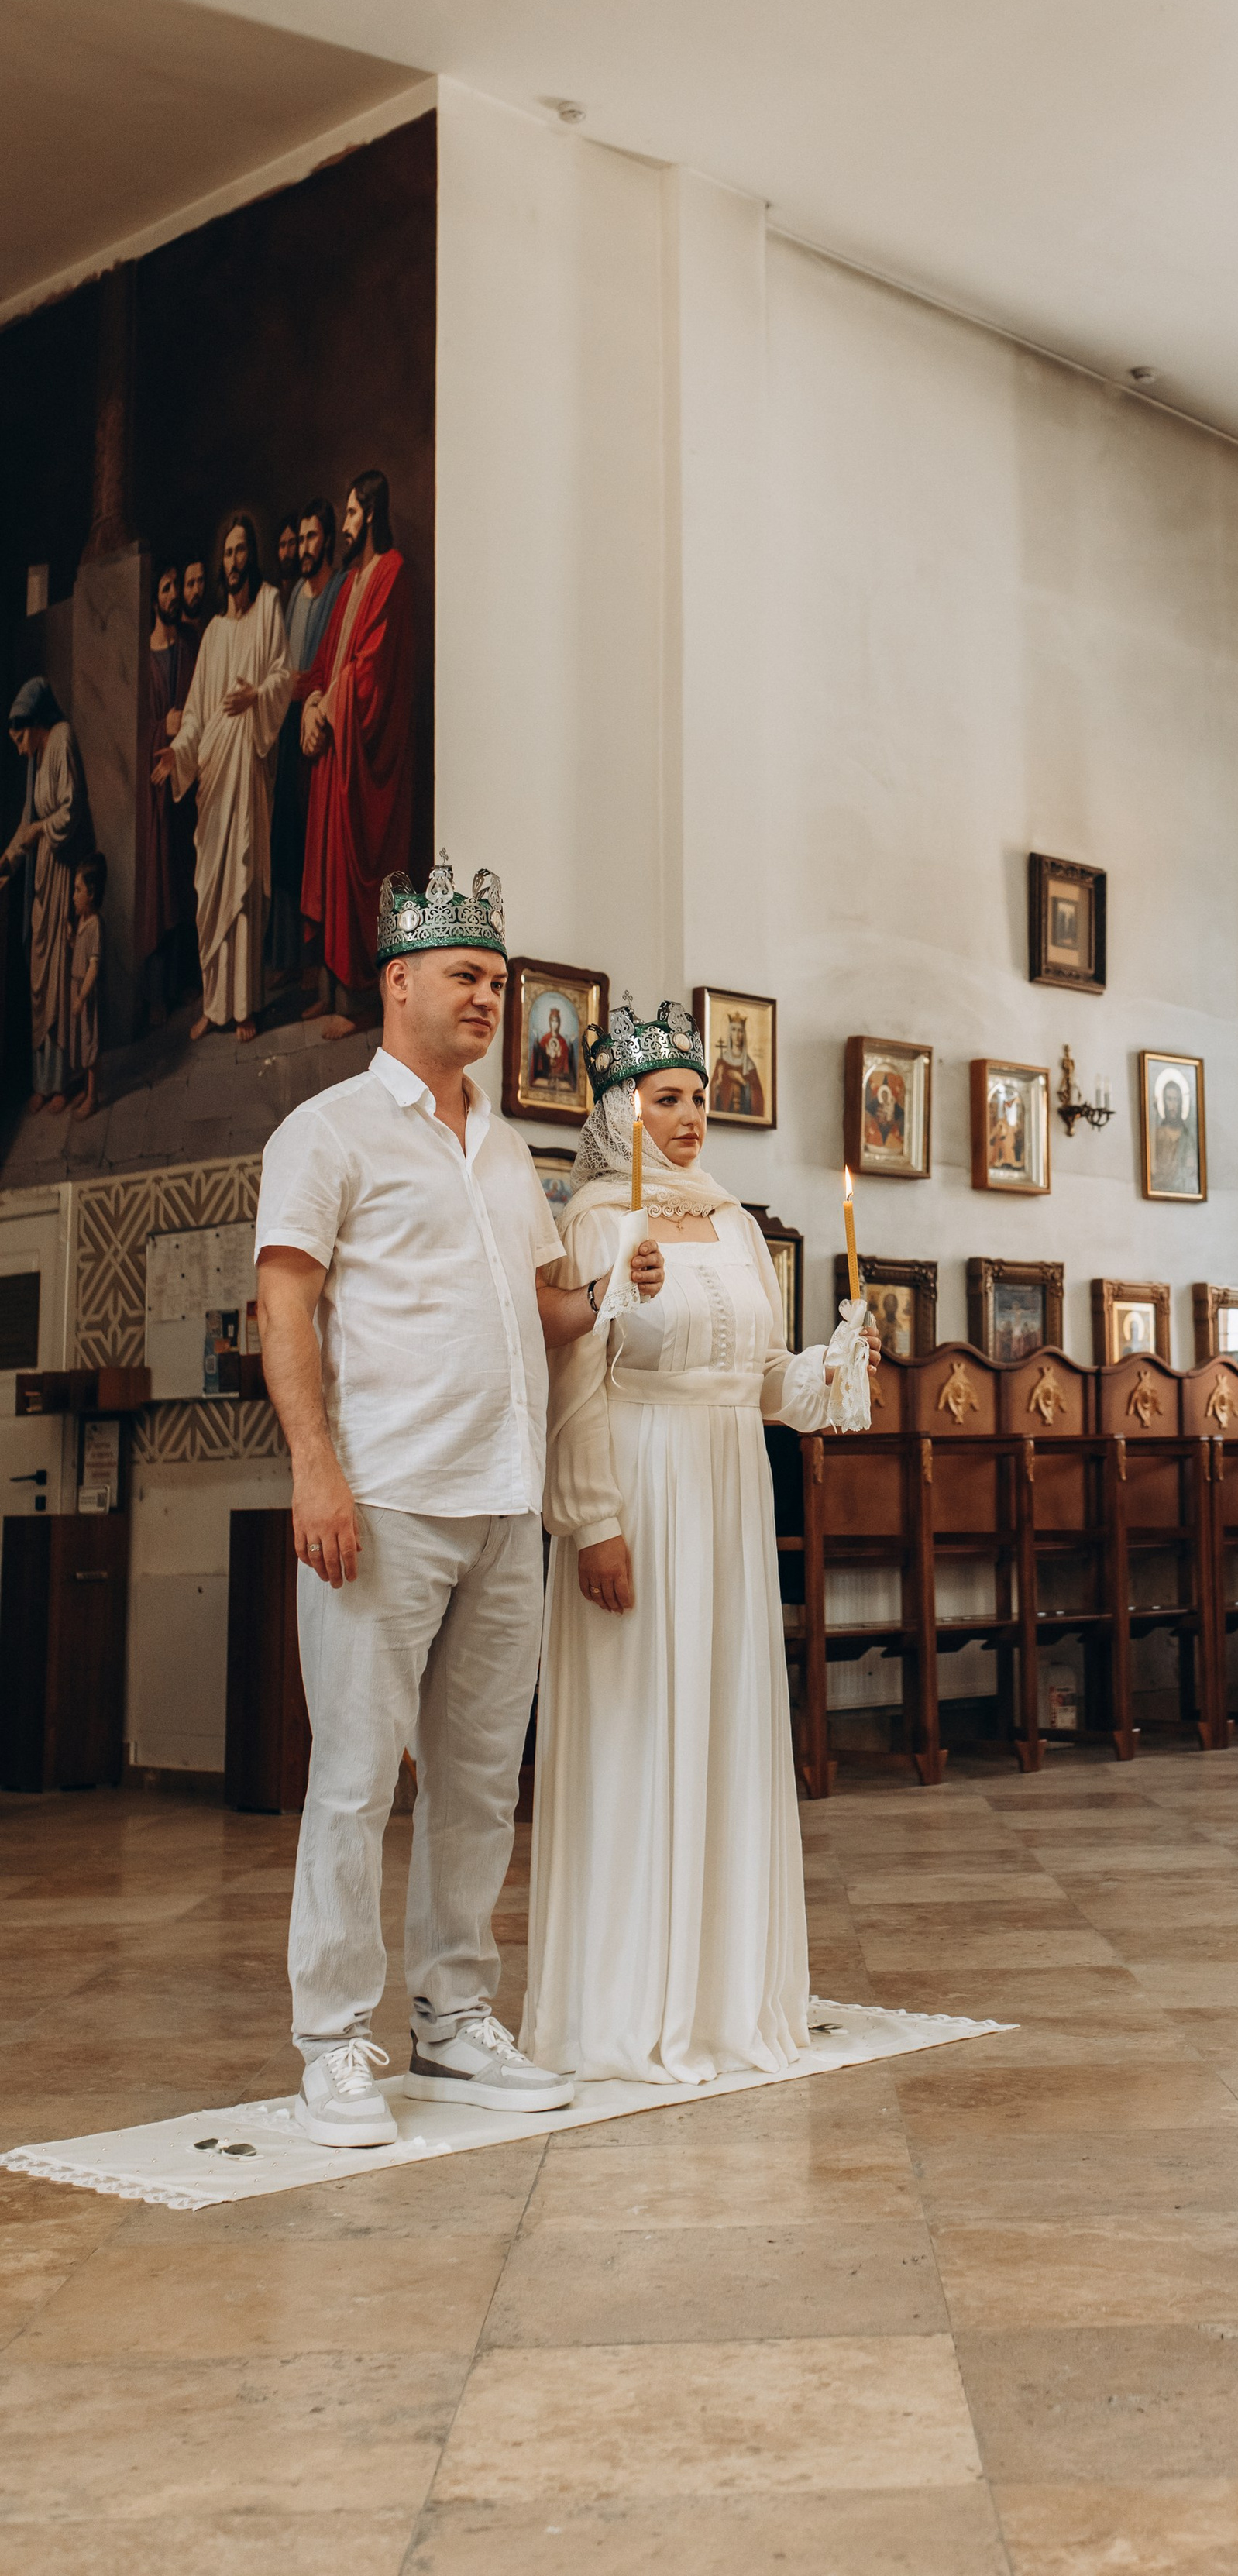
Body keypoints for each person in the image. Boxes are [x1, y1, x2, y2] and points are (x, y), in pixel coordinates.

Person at [254, 856, 635, 2147]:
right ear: (399, 981)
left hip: (504, 1504)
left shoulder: (510, 1149)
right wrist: (315, 1466)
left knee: (477, 1785)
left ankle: (453, 2017)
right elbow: (286, 1305)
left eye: (499, 982)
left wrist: (618, 1289)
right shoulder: (328, 1133)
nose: (488, 997)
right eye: (466, 976)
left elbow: (541, 1312)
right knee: (356, 1783)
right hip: (386, 1498)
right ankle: (333, 2042)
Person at [525, 999, 879, 2083]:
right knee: (640, 1722)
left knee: (724, 1717)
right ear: (617, 1111)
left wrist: (831, 1367)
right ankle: (632, 2003)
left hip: (728, 1485)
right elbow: (576, 1385)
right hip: (637, 1480)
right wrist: (594, 1521)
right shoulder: (598, 1223)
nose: (688, 1117)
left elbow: (762, 1380)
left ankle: (725, 1997)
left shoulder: (735, 1225)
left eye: (697, 1099)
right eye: (664, 1099)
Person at [153, 512, 293, 1042]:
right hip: (214, 772)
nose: (234, 561)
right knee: (213, 888)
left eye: (241, 551)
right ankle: (215, 1005)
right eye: (227, 553)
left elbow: (283, 675)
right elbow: (195, 713)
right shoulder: (212, 633)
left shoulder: (269, 607)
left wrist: (257, 695)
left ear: (251, 556)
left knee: (244, 882)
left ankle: (245, 1005)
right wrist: (178, 753)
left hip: (248, 768)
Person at [301, 470, 411, 1041]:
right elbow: (328, 664)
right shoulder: (348, 583)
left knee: (357, 871)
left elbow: (373, 672)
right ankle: (328, 991)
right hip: (336, 752)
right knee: (328, 866)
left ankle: (360, 1002)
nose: (344, 525)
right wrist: (311, 703)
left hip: (365, 760)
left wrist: (329, 707)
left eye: (349, 514)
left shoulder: (392, 571)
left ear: (369, 513)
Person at [2, 676, 93, 1114]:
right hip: (43, 877)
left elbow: (71, 810)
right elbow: (28, 820)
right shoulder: (37, 757)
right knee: (41, 980)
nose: (21, 750)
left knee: (60, 978)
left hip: (64, 872)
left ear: (36, 723)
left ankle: (64, 1081)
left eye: (22, 739)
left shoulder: (62, 739)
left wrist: (41, 829)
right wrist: (7, 859)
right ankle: (43, 1079)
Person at [267, 497, 343, 989]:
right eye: (302, 540)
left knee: (317, 849)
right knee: (288, 843)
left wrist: (303, 686)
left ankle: (318, 972)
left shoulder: (339, 589)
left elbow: (329, 665)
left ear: (328, 540)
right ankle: (291, 959)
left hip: (322, 727)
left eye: (313, 538)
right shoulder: (295, 593)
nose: (305, 548)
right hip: (289, 725)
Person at [138, 566, 201, 1023]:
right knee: (159, 888)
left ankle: (184, 983)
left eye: (176, 586)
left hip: (186, 784)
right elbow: (135, 728)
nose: (175, 594)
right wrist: (165, 728)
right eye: (166, 588)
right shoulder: (144, 660)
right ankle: (158, 993)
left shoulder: (189, 649)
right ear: (153, 599)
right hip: (156, 793)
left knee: (185, 882)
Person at [67, 855, 105, 1120]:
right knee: (81, 1042)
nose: (73, 897)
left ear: (91, 894)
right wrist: (72, 939)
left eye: (78, 890)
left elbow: (93, 966)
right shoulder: (82, 922)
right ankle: (84, 1089)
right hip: (76, 987)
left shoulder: (95, 926)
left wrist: (82, 996)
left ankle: (93, 1097)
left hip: (87, 995)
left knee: (91, 1045)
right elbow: (80, 953)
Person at [710, 1009, 765, 1118]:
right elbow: (710, 1094)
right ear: (729, 1033)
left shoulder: (749, 1065)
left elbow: (758, 1099)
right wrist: (718, 1083)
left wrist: (743, 1082)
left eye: (740, 1031)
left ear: (744, 1034)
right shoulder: (721, 1061)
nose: (737, 1034)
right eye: (734, 1030)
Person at [530, 1003, 574, 1090]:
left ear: (559, 1023)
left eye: (557, 1021)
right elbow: (539, 1055)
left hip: (560, 1077)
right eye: (553, 1021)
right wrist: (536, 1042)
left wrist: (570, 1046)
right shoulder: (545, 1039)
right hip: (545, 1076)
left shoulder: (563, 1041)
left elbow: (567, 1059)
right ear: (550, 1022)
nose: (555, 1024)